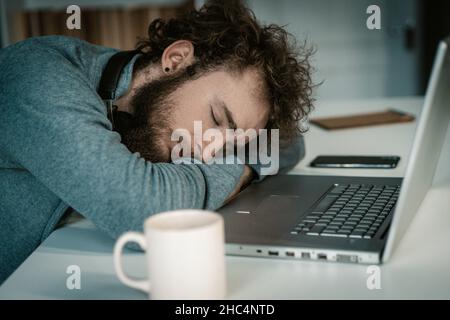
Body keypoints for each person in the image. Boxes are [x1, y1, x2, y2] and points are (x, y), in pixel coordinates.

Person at [0, 0, 314, 283]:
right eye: (217, 119)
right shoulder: (39, 76)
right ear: (177, 59)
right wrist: (240, 166)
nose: (208, 152)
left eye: (233, 143)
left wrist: (242, 154)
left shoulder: (137, 101)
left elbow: (289, 142)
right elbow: (147, 210)